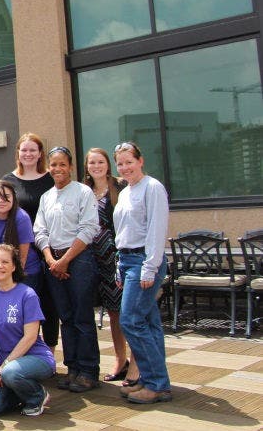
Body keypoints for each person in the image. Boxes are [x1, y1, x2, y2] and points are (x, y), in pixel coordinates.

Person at [34, 146, 99, 393]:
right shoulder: (46, 196)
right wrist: (51, 260)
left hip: (79, 259)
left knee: (82, 316)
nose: (57, 169)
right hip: (53, 261)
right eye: (53, 164)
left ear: (70, 167)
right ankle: (72, 368)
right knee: (66, 317)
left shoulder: (83, 192)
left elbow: (89, 228)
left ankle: (89, 371)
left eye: (62, 164)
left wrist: (66, 260)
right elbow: (39, 230)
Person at [112, 141, 172, 404]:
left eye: (129, 162)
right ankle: (153, 381)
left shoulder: (152, 187)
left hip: (144, 261)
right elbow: (123, 232)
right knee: (149, 323)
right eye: (121, 163)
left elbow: (157, 230)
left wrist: (150, 267)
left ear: (141, 161)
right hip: (127, 260)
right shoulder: (126, 191)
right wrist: (119, 266)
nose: (125, 167)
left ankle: (157, 383)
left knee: (131, 320)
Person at [0, 244, 55, 417]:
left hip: (35, 357)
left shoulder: (27, 294)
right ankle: (18, 392)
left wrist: (3, 368)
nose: (0, 266)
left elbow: (30, 337)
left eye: (5, 262)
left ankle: (37, 396)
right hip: (5, 364)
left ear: (14, 266)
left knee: (11, 373)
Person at [83, 148, 136, 383]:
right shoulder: (84, 191)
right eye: (92, 162)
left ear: (108, 164)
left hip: (117, 258)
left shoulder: (121, 187)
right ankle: (119, 358)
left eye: (101, 161)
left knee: (127, 312)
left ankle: (137, 362)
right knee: (112, 312)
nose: (96, 166)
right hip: (92, 259)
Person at [1, 133, 59, 350]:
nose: (28, 154)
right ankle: (25, 350)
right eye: (24, 150)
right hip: (21, 253)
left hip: (49, 250)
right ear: (18, 153)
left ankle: (51, 351)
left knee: (49, 303)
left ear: (40, 154)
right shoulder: (8, 181)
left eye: (32, 150)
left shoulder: (50, 179)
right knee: (23, 304)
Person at [0, 180, 41, 290]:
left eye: (6, 196)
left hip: (24, 272)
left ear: (13, 198)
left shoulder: (21, 218)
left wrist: (9, 285)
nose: (1, 200)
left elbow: (22, 258)